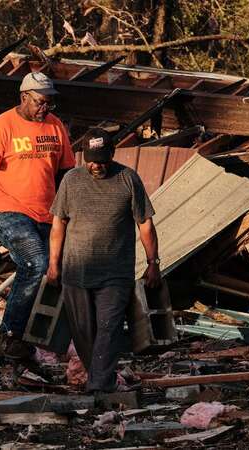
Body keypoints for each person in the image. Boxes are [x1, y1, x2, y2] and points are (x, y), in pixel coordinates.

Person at [0, 72, 76, 359]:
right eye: (40, 102)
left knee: (60, 270)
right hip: (9, 210)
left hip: (48, 213)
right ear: (24, 97)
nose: (45, 108)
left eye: (50, 103)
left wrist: (70, 215)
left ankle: (48, 338)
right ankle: (11, 336)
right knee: (36, 263)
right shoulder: (2, 127)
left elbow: (66, 174)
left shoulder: (56, 127)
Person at [47, 127, 160, 393]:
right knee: (83, 332)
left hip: (115, 273)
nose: (96, 165)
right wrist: (54, 264)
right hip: (75, 272)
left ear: (112, 153)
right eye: (91, 159)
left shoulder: (128, 179)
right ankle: (100, 379)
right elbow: (58, 224)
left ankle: (99, 386)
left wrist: (153, 263)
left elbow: (145, 223)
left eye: (102, 159)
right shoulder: (71, 181)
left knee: (109, 329)